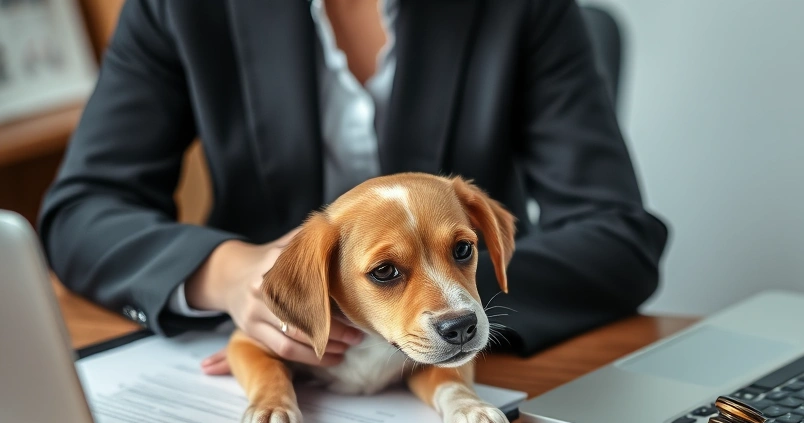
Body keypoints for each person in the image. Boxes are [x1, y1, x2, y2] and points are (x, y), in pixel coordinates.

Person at [40, 0, 668, 373]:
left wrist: (434, 309)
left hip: (463, 384)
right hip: (276, 368)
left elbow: (618, 238)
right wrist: (229, 274)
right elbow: (82, 211)